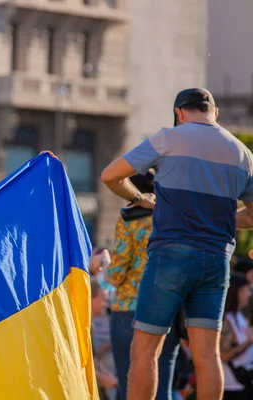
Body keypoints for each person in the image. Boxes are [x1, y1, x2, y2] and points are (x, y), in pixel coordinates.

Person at [101, 88, 253, 400]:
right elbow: (252, 215)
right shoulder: (242, 153)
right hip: (215, 260)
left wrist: (140, 198)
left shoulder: (170, 137)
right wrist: (217, 216)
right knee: (207, 355)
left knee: (144, 350)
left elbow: (110, 176)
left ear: (179, 113)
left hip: (170, 255)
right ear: (215, 113)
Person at [106, 171, 181, 400]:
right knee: (163, 388)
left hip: (129, 310)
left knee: (131, 389)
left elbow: (116, 274)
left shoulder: (129, 219)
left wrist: (106, 268)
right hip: (167, 308)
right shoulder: (173, 218)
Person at [220, 273, 253, 400]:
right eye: (247, 290)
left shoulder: (240, 316)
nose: (249, 294)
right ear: (237, 292)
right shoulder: (226, 321)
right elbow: (224, 355)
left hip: (245, 384)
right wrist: (248, 342)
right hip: (232, 387)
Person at [91, 280, 119, 399]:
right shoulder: (82, 328)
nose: (106, 304)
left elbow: (93, 360)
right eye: (102, 298)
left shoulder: (91, 327)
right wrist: (103, 379)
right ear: (90, 298)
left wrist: (105, 375)